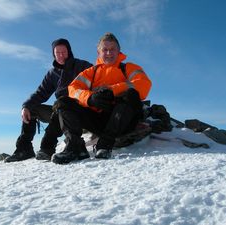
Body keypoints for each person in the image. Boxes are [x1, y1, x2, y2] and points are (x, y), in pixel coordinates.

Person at [51, 32, 152, 164]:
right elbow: (73, 89)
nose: (109, 53)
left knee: (131, 94)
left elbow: (144, 84)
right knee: (63, 102)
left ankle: (105, 145)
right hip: (97, 120)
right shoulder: (90, 72)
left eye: (112, 49)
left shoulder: (128, 68)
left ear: (118, 51)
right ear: (99, 52)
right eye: (105, 49)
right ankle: (75, 147)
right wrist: (90, 98)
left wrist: (113, 91)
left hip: (123, 120)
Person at [5, 38, 92, 162]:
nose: (61, 55)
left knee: (62, 104)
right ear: (53, 54)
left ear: (69, 51)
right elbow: (41, 93)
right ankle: (24, 149)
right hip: (59, 112)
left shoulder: (83, 66)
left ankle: (55, 147)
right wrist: (26, 106)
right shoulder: (53, 73)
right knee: (32, 108)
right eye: (58, 53)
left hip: (80, 113)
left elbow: (96, 85)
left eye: (64, 52)